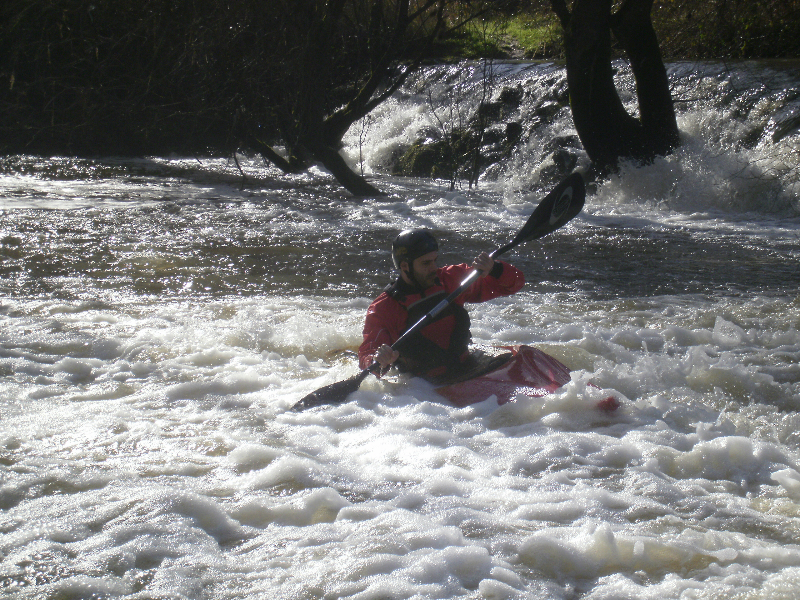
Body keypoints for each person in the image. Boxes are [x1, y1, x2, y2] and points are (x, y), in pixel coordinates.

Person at [358, 228, 526, 384]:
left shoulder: (451, 279)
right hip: (424, 387)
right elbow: (368, 356)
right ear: (404, 266)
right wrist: (379, 360)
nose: (434, 268)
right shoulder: (384, 308)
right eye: (426, 263)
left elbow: (514, 284)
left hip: (467, 366)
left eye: (434, 260)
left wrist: (495, 269)